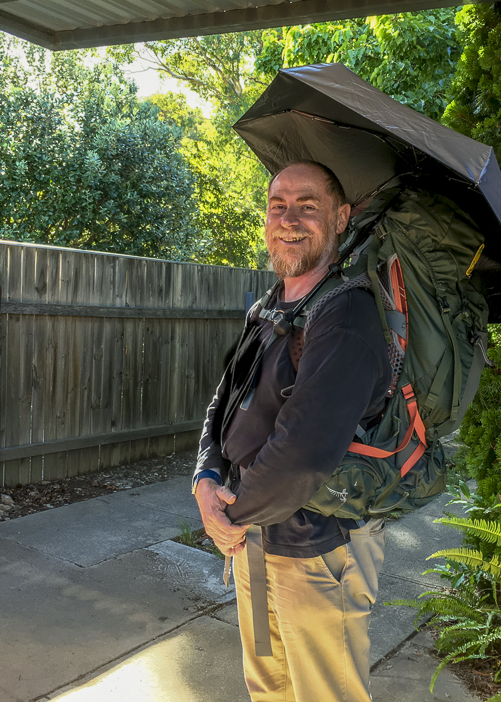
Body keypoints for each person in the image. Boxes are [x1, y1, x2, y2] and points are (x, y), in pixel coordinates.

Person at [193, 160, 392, 702]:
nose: (289, 218)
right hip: (255, 538)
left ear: (341, 218)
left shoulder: (348, 314)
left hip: (318, 552)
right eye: (278, 205)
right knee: (269, 688)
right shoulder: (268, 308)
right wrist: (206, 478)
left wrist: (226, 517)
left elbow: (303, 453)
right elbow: (224, 403)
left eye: (308, 206)